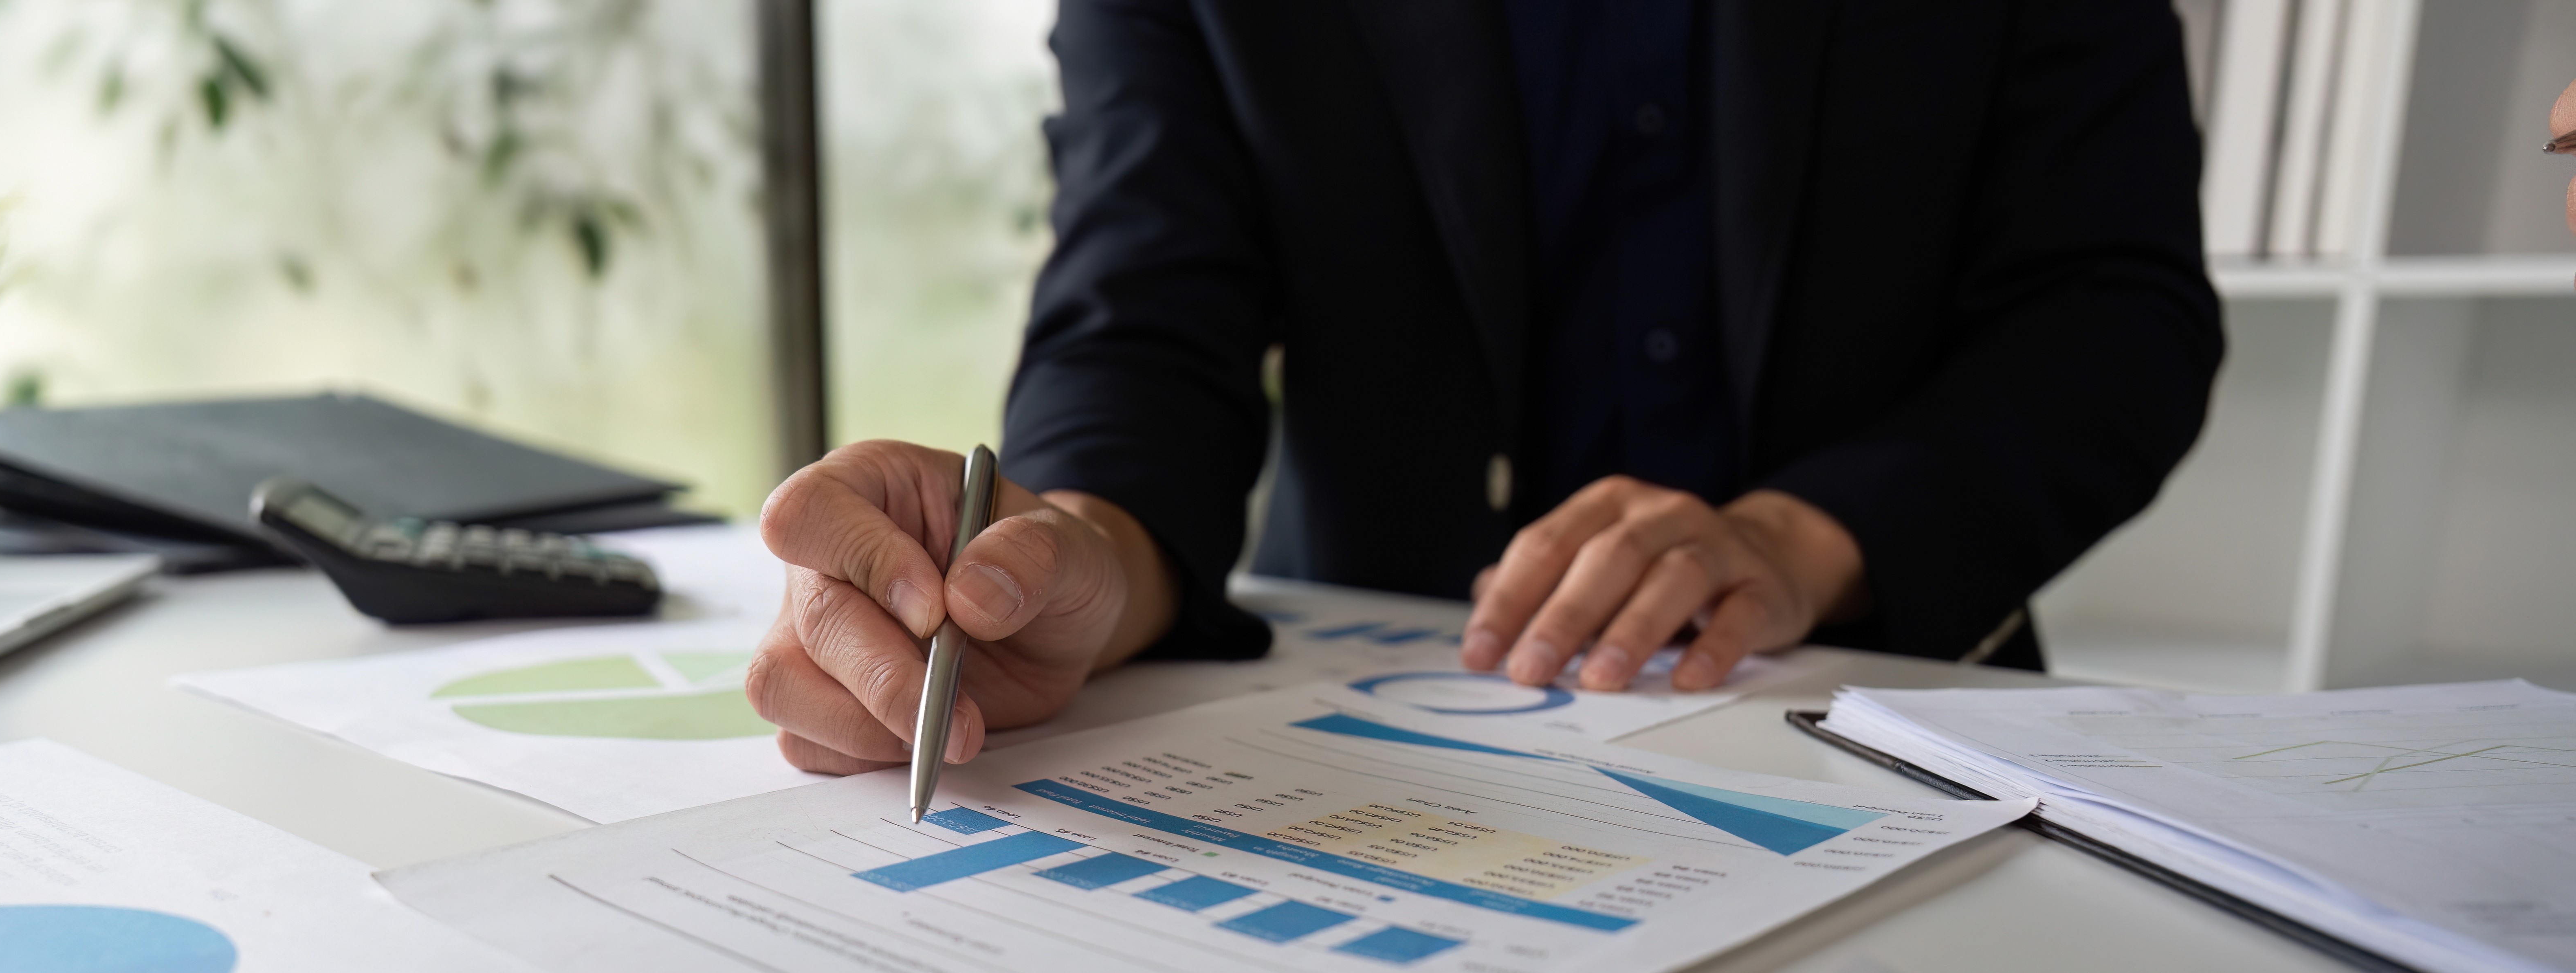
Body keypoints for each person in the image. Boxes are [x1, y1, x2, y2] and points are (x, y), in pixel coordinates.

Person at [749, 0, 2223, 778]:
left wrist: (1801, 536)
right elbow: (1144, 317)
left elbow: (2115, 311)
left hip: (1892, 702)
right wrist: (1072, 551)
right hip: (1378, 725)